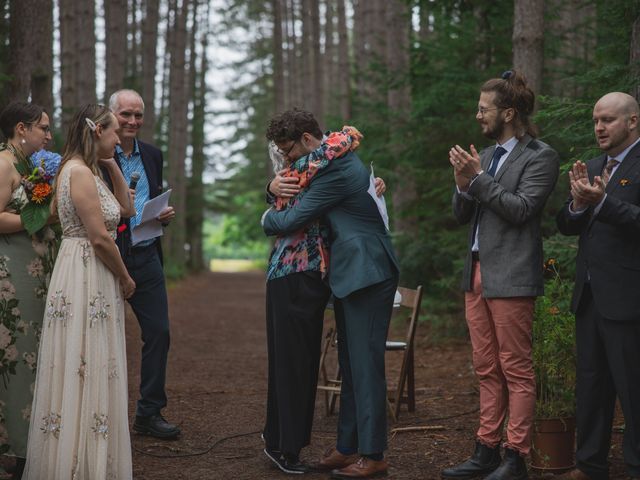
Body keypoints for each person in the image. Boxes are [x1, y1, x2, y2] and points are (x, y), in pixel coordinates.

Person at [262, 109, 399, 479]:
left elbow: (291, 219)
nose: (286, 157)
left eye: (287, 149)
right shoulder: (330, 160)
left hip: (367, 272)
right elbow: (292, 187)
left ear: (308, 139)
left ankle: (374, 455)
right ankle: (347, 447)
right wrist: (270, 188)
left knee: (366, 365)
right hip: (351, 273)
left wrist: (264, 219)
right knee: (352, 365)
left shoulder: (335, 170)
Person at [441, 71, 559, 480]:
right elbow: (461, 216)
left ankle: (516, 455)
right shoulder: (486, 157)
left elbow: (521, 208)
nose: (478, 116)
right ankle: (486, 448)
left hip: (511, 276)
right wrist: (462, 184)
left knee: (516, 369)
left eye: (483, 109)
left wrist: (476, 179)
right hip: (475, 275)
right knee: (486, 367)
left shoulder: (540, 156)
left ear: (508, 113)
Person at [23, 104, 136, 479]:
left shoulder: (88, 171)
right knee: (83, 359)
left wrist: (113, 166)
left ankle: (87, 454)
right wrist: (125, 277)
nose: (119, 139)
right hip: (87, 269)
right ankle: (77, 463)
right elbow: (101, 238)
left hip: (85, 268)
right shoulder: (77, 173)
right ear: (96, 131)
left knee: (90, 360)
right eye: (114, 132)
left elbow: (126, 210)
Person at [555, 92, 640, 480]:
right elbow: (567, 223)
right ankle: (590, 465)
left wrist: (602, 203)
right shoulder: (591, 166)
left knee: (633, 389)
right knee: (590, 387)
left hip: (628, 298)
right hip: (588, 297)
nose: (599, 128)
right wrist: (577, 205)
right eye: (595, 121)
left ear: (632, 122)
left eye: (607, 120)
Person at [106, 89, 179, 439]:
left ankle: (148, 413)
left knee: (159, 334)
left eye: (138, 115)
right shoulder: (98, 156)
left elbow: (150, 200)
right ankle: (101, 415)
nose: (133, 121)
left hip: (147, 255)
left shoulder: (153, 154)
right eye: (125, 115)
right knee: (102, 335)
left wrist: (161, 217)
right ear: (111, 115)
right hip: (108, 258)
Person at [0, 102, 54, 480]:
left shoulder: (30, 166)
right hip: (12, 279)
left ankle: (27, 446)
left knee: (33, 359)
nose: (49, 136)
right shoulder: (4, 163)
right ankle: (12, 450)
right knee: (15, 360)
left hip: (36, 277)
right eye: (43, 128)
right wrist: (39, 218)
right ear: (22, 128)